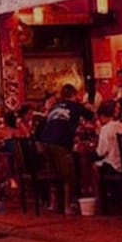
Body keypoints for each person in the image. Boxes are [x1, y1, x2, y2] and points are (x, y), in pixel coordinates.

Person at [40, 84, 94, 214]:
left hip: (45, 141)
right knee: (68, 175)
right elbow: (91, 116)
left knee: (52, 173)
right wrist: (88, 107)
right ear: (74, 95)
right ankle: (67, 206)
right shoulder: (75, 105)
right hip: (60, 142)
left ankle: (53, 204)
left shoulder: (55, 106)